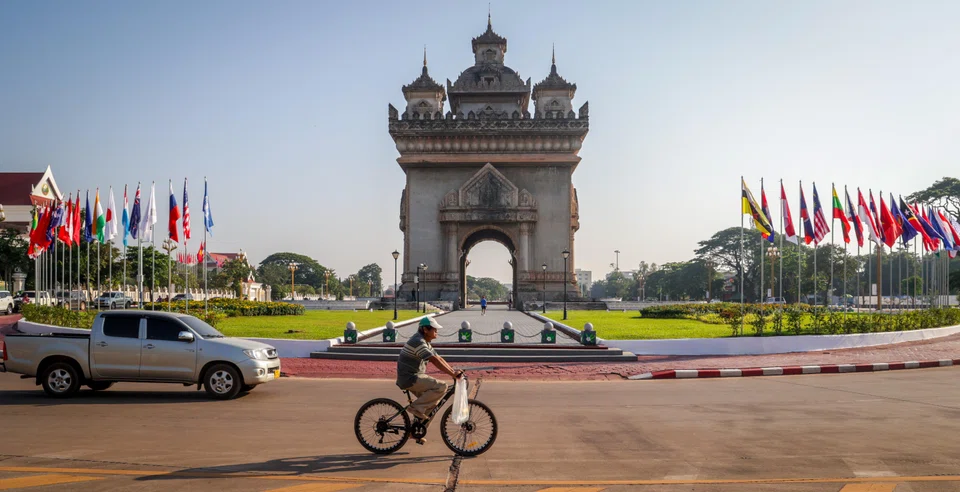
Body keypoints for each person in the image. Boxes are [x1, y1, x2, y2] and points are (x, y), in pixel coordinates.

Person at [397, 316, 463, 443]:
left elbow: (438, 358)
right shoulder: (418, 341)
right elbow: (433, 360)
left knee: (434, 403)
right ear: (425, 330)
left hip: (414, 377)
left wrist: (453, 372)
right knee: (441, 387)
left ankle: (415, 432)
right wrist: (452, 374)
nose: (437, 332)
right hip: (410, 378)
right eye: (434, 329)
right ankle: (415, 408)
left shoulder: (425, 342)